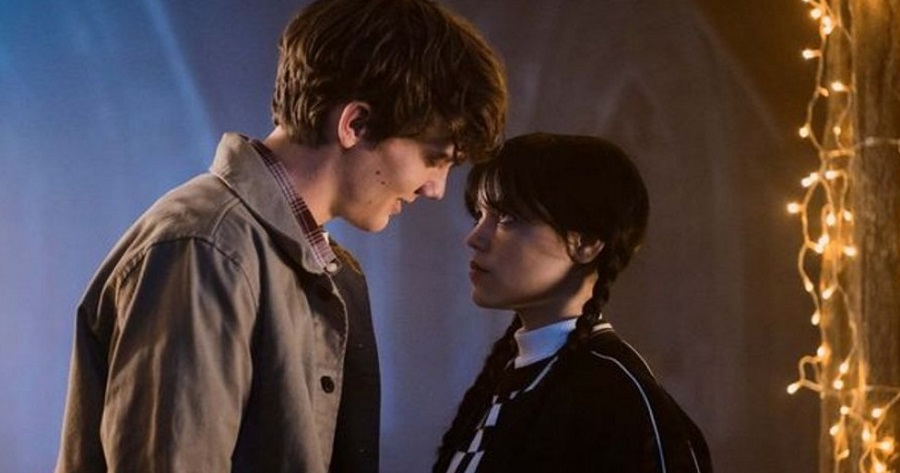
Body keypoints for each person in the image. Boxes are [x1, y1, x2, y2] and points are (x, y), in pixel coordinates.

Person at [55, 0, 507, 471]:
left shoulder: (317, 265)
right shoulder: (205, 248)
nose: (435, 189)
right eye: (434, 159)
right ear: (355, 124)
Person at [434, 133, 712, 472]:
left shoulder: (616, 395)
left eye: (507, 218)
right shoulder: (508, 374)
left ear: (586, 242)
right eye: (478, 215)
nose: (475, 237)